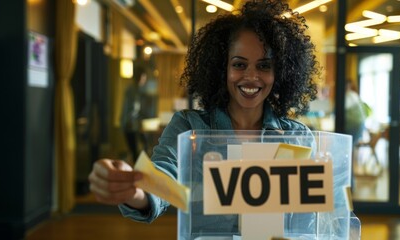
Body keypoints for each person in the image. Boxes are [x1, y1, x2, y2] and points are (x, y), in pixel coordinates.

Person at [88, 0, 318, 231]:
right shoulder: (189, 126)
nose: (251, 76)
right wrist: (133, 188)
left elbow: (307, 221)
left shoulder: (297, 137)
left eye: (264, 66)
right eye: (239, 64)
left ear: (280, 73)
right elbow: (163, 175)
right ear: (222, 69)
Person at [120, 63, 148, 161]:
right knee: (136, 152)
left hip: (131, 125)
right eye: (144, 77)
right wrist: (136, 125)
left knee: (140, 149)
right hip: (130, 125)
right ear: (140, 77)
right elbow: (130, 110)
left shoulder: (135, 90)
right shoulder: (132, 91)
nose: (144, 80)